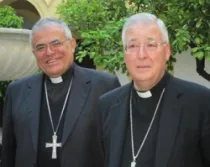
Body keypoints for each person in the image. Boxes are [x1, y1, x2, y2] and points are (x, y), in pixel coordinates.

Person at [1, 17, 120, 167]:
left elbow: (117, 149)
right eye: (40, 47)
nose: (49, 52)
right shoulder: (17, 91)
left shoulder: (104, 85)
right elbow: (8, 154)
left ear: (72, 45)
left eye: (56, 43)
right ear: (34, 53)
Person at [97, 13, 210, 167]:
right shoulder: (107, 105)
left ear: (167, 51)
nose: (141, 55)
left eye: (151, 45)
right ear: (125, 55)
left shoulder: (200, 102)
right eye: (132, 46)